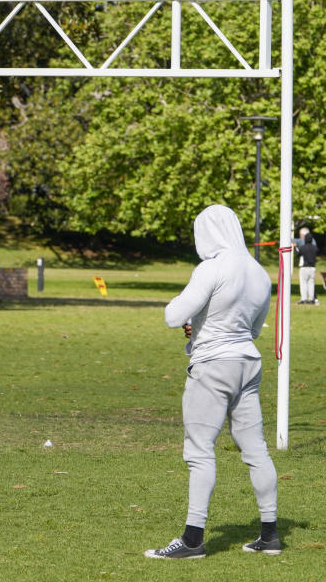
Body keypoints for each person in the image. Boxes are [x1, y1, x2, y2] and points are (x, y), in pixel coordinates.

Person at [145, 204, 279, 559]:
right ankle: (270, 535)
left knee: (199, 451)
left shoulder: (212, 268)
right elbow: (250, 330)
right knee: (256, 449)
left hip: (213, 366)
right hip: (247, 364)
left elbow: (173, 316)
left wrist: (194, 316)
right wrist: (204, 324)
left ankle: (192, 541)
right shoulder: (260, 273)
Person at [296, 232, 319, 305]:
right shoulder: (315, 248)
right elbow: (317, 252)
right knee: (311, 283)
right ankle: (311, 299)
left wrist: (296, 247)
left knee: (303, 283)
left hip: (304, 267)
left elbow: (298, 254)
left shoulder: (303, 247)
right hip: (312, 267)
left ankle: (304, 299)